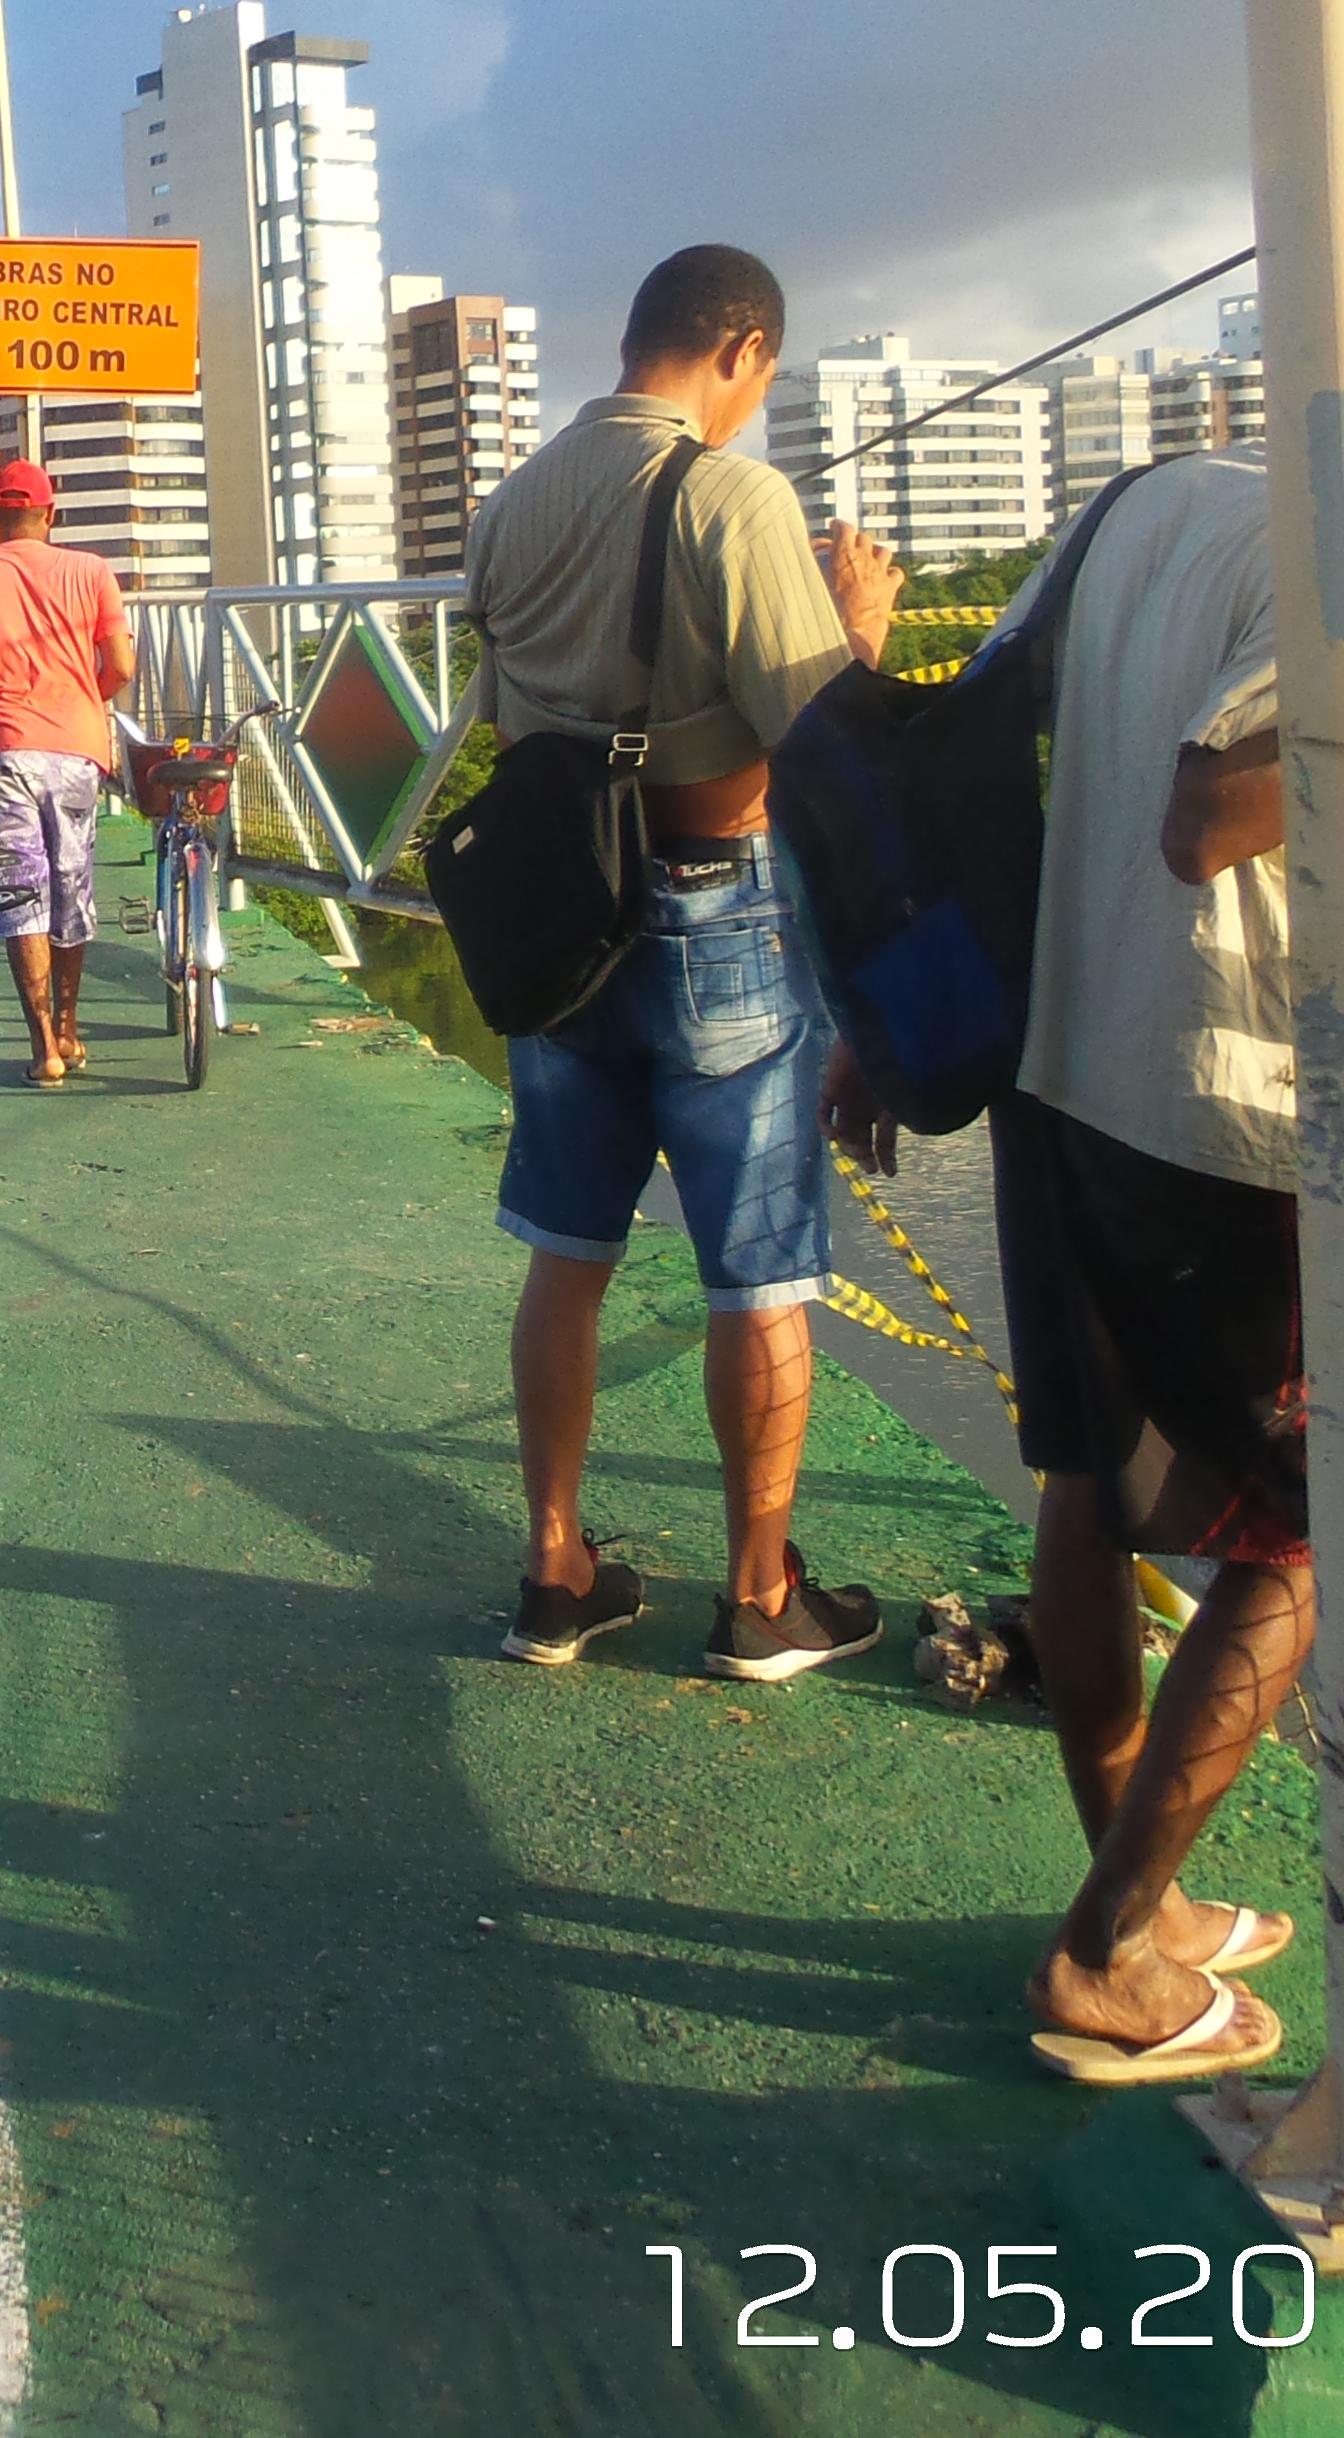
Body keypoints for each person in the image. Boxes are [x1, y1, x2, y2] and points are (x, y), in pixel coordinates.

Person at [914, 222, 1344, 2083]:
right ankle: (1105, 1946)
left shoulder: (1138, 500)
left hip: (1064, 1065)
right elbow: (1211, 814)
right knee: (1312, 1545)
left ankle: (1138, 1888)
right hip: (1220, 1124)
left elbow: (981, 727)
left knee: (1079, 1482)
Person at [461, 244, 907, 1678]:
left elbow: (510, 711)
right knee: (758, 1277)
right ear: (745, 351)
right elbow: (823, 745)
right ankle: (760, 1597)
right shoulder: (731, 493)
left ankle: (553, 1573)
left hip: (556, 927)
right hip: (717, 916)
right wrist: (864, 629)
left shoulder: (508, 506)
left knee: (567, 1256)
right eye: (762, 378)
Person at [0, 461, 134, 1084]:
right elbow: (121, 665)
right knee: (70, 887)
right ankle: (69, 1025)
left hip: (3, 753)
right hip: (76, 752)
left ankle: (45, 1050)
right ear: (50, 515)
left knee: (21, 896)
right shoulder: (93, 572)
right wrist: (81, 699)